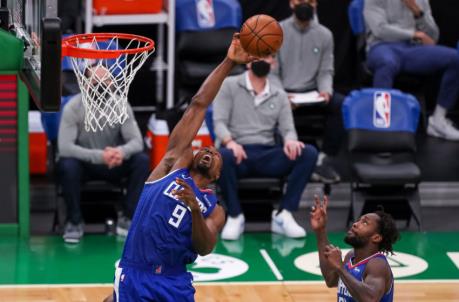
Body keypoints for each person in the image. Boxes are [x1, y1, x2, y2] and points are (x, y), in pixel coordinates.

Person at [105, 34, 254, 302]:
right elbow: (198, 104)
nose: (209, 150)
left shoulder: (214, 209)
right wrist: (229, 62)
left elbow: (205, 247)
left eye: (215, 153)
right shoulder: (171, 166)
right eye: (205, 148)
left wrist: (195, 209)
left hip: (173, 282)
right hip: (136, 271)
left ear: (218, 174)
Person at [213, 54, 318, 241]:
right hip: (239, 153)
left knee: (308, 153)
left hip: (267, 153)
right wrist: (230, 142)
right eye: (258, 56)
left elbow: (288, 130)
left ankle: (284, 214)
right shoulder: (229, 85)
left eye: (267, 57)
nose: (263, 60)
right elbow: (219, 122)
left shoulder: (279, 94)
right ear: (247, 62)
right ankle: (235, 215)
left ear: (273, 63)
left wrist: (290, 141)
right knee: (222, 156)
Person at [58, 66, 149, 244]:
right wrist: (100, 156)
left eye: (106, 81)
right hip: (85, 165)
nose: (102, 85)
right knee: (67, 164)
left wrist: (121, 152)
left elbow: (137, 142)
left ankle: (127, 219)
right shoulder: (73, 107)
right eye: (96, 81)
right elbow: (65, 147)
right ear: (85, 84)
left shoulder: (121, 105)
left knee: (141, 161)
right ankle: (74, 222)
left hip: (113, 163)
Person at [364, 0, 459, 140]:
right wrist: (414, 34)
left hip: (412, 49)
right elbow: (380, 29)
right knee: (387, 62)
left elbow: (433, 37)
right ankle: (381, 126)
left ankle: (438, 120)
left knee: (455, 58)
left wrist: (417, 12)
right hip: (381, 46)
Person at [274, 0, 345, 184]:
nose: (304, 4)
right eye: (300, 0)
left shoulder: (324, 35)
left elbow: (325, 71)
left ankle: (324, 159)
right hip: (284, 92)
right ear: (291, 3)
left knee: (340, 104)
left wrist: (325, 91)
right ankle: (284, 161)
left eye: (310, 1)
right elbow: (272, 73)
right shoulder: (277, 31)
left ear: (315, 4)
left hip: (313, 93)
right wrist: (282, 95)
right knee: (270, 102)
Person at [310, 195, 400, 301]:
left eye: (365, 223)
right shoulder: (351, 256)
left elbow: (370, 299)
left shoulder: (377, 265)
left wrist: (340, 268)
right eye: (358, 220)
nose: (355, 224)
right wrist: (320, 230)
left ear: (376, 237)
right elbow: (330, 280)